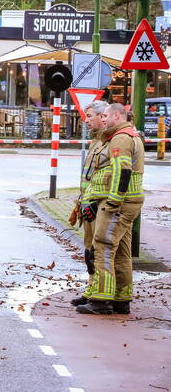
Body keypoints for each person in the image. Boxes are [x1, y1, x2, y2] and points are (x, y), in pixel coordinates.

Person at [77, 102, 145, 315]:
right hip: (127, 202)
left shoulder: (120, 138)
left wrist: (113, 201)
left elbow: (121, 171)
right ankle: (121, 298)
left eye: (105, 115)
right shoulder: (127, 136)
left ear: (117, 115)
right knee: (122, 250)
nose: (103, 119)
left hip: (116, 203)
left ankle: (101, 300)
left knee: (103, 246)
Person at [68, 99, 107, 307]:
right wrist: (82, 200)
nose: (86, 120)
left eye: (89, 116)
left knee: (97, 252)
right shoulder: (96, 140)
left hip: (99, 204)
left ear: (103, 117)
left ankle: (98, 292)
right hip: (89, 202)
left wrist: (96, 200)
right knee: (88, 250)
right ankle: (91, 288)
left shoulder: (109, 141)